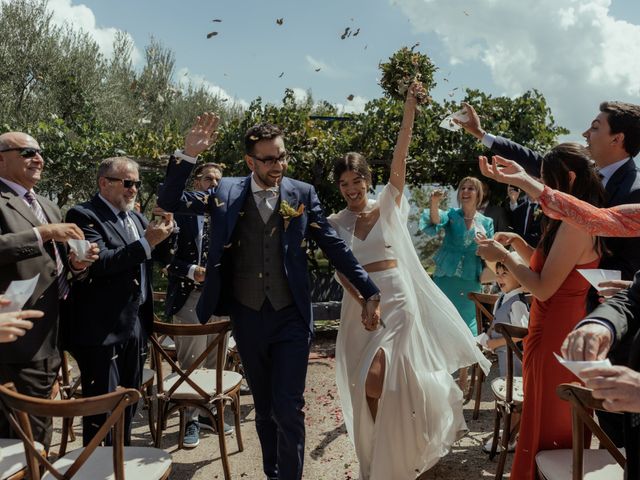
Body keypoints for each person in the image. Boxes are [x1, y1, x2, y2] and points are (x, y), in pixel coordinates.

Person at [157, 113, 381, 480]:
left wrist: (369, 289)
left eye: (282, 157)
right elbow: (170, 199)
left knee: (289, 407)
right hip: (247, 315)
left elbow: (335, 246)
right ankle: (272, 473)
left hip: (290, 315)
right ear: (250, 161)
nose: (278, 165)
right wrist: (188, 155)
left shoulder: (302, 193)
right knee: (264, 408)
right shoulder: (225, 191)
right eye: (269, 159)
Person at [328, 83, 490, 479]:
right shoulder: (334, 223)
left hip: (397, 300)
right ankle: (381, 458)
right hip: (359, 304)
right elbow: (340, 270)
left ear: (368, 180)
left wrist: (409, 109)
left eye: (357, 181)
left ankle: (405, 449)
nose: (351, 190)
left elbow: (401, 155)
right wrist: (363, 299)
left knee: (387, 378)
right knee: (365, 385)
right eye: (344, 185)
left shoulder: (388, 203)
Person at [460, 101, 640, 444]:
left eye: (596, 127)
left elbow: (598, 221)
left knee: (612, 438)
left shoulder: (635, 189)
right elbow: (546, 167)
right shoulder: (582, 175)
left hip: (615, 326)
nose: (586, 133)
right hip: (583, 320)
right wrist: (485, 137)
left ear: (618, 138)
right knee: (574, 427)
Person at [476, 143, 605, 480]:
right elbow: (554, 270)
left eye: (548, 182)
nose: (542, 191)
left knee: (551, 426)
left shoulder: (577, 224)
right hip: (548, 329)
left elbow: (544, 286)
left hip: (560, 338)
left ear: (570, 178)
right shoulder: (568, 220)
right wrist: (519, 244)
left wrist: (503, 257)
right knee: (540, 420)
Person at [64, 157, 175, 446]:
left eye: (137, 183)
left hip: (137, 321)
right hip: (103, 327)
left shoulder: (136, 218)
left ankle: (121, 458)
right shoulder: (83, 215)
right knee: (102, 406)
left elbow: (160, 256)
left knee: (130, 397)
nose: (134, 189)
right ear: (104, 183)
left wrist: (167, 233)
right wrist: (147, 243)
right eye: (128, 183)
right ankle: (96, 468)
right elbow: (100, 264)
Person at [0, 132, 98, 449]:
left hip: (52, 336)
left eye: (40, 153)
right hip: (13, 339)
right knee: (21, 435)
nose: (38, 158)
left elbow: (55, 268)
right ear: (2, 157)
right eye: (27, 152)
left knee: (39, 430)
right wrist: (41, 233)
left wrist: (79, 265)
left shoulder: (48, 206)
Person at [165, 161, 232, 447]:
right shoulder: (179, 213)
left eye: (218, 181)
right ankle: (189, 418)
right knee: (192, 362)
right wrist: (193, 271)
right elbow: (162, 257)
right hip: (188, 295)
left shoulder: (228, 215)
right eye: (207, 179)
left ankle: (209, 412)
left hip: (221, 297)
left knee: (218, 359)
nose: (213, 185)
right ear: (196, 183)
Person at [419, 177, 494, 336]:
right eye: (463, 188)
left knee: (468, 324)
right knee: (442, 321)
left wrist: (484, 246)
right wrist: (434, 202)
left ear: (478, 194)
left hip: (470, 280)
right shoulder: (451, 215)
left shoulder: (487, 222)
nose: (465, 191)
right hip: (446, 277)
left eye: (470, 188)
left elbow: (492, 253)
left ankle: (468, 359)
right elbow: (436, 220)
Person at [475, 261, 528, 454]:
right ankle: (511, 434)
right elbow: (495, 322)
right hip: (504, 358)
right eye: (497, 274)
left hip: (515, 358)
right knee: (507, 397)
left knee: (513, 399)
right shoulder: (501, 299)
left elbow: (521, 333)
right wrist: (487, 336)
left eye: (504, 274)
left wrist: (495, 343)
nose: (499, 278)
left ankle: (511, 437)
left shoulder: (518, 303)